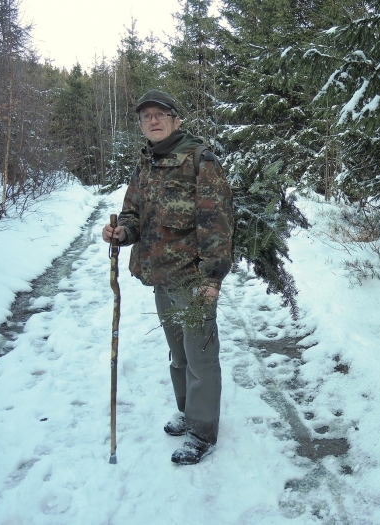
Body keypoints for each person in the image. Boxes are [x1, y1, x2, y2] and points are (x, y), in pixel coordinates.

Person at [102, 89, 233, 465]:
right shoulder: (145, 163)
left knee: (201, 357)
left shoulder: (199, 159)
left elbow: (217, 224)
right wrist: (122, 233)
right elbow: (132, 213)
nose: (153, 121)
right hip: (162, 278)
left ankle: (202, 430)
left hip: (194, 280)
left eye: (160, 114)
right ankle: (188, 410)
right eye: (146, 117)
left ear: (176, 120)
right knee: (178, 355)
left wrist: (212, 280)